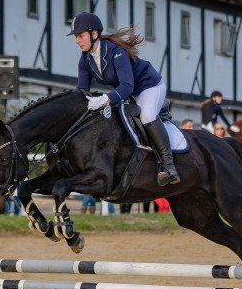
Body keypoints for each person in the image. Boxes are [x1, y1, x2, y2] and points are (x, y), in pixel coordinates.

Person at [68, 12, 179, 187]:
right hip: (130, 93)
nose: (77, 40)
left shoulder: (116, 52)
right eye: (76, 36)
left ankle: (169, 166)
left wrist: (104, 99)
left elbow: (127, 86)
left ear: (94, 34)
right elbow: (82, 91)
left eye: (80, 35)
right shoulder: (85, 60)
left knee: (147, 116)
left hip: (149, 86)